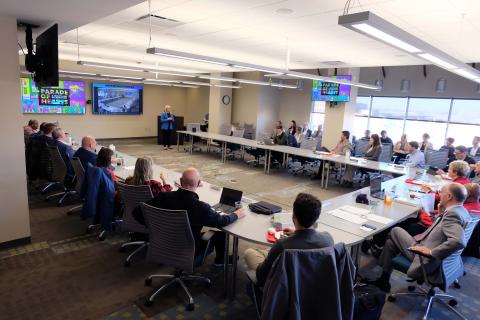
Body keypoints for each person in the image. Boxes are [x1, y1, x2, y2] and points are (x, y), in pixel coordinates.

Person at [369, 182, 470, 292]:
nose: (439, 194)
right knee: (390, 243)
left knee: (395, 230)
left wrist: (431, 253)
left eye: (441, 192)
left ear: (449, 196)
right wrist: (440, 213)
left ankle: (376, 247)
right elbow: (441, 230)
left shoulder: (452, 214)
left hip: (425, 257)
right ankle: (383, 280)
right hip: (432, 250)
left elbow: (459, 241)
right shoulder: (461, 211)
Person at [134, 167, 246, 265]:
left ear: (181, 181)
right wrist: (236, 214)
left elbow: (136, 212)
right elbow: (222, 221)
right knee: (220, 235)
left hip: (162, 244)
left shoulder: (163, 196)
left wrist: (155, 230)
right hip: (187, 250)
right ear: (198, 184)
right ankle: (221, 260)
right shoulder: (201, 207)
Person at [244, 193, 333, 287]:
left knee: (250, 252)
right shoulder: (328, 239)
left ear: (293, 216)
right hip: (314, 286)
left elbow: (261, 276)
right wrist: (297, 232)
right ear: (317, 217)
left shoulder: (283, 245)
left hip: (286, 288)